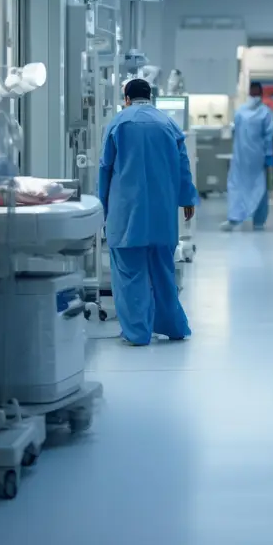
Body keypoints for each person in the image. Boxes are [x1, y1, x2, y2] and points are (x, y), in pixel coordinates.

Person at [98, 78, 199, 346]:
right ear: (150, 96)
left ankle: (137, 333)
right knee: (163, 271)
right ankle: (174, 327)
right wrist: (187, 198)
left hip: (127, 211)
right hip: (161, 212)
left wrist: (102, 207)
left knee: (130, 273)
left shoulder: (119, 124)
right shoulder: (168, 124)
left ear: (127, 98)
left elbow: (105, 168)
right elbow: (182, 164)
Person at [221, 81, 273, 231]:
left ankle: (257, 221)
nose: (255, 95)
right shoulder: (243, 112)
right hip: (243, 157)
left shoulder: (263, 112)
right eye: (254, 92)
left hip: (255, 158)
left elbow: (268, 137)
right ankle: (235, 218)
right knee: (239, 186)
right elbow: (235, 132)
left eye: (257, 92)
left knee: (258, 187)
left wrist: (269, 156)